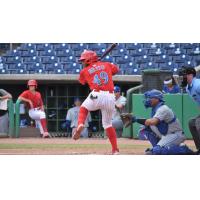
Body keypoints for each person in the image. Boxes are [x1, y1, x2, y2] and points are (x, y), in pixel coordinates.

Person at [72, 50, 120, 154]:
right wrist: (101, 65)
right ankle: (115, 149)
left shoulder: (84, 71)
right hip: (110, 97)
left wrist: (93, 67)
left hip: (96, 95)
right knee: (107, 124)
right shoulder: (106, 64)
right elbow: (116, 69)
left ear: (89, 60)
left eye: (84, 60)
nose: (82, 63)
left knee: (84, 108)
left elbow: (82, 81)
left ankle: (80, 124)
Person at [120, 89, 194, 155]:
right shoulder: (155, 109)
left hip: (175, 135)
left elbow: (153, 122)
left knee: (156, 151)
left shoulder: (163, 108)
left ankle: (183, 149)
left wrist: (135, 119)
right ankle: (158, 147)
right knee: (145, 129)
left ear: (157, 99)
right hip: (166, 135)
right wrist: (134, 120)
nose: (148, 100)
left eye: (150, 98)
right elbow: (150, 124)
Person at [181, 67, 200, 153]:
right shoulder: (188, 88)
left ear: (191, 75)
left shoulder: (198, 84)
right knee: (191, 123)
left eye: (185, 75)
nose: (183, 77)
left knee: (198, 122)